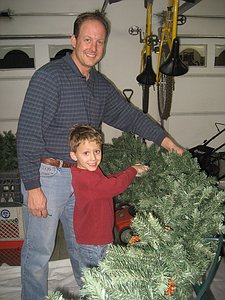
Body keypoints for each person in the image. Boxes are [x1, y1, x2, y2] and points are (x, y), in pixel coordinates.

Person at [16, 10, 183, 300]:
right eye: (87, 40)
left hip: (83, 177)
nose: (93, 47)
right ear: (74, 40)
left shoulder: (99, 85)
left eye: (100, 42)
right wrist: (33, 186)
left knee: (85, 246)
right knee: (38, 252)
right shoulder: (49, 77)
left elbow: (129, 116)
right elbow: (28, 133)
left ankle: (94, 295)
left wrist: (166, 142)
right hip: (48, 176)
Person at [69, 124, 149, 272]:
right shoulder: (84, 177)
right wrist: (132, 171)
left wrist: (130, 172)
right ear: (74, 155)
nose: (93, 158)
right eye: (86, 153)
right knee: (95, 285)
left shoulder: (88, 170)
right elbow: (114, 186)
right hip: (92, 243)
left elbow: (107, 181)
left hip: (102, 238)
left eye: (97, 151)